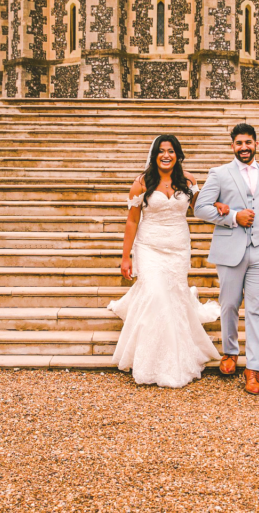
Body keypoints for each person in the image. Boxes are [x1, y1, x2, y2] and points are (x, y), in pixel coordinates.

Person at [108, 134, 222, 388]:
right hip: (149, 247)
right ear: (154, 155)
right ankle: (148, 360)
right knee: (156, 295)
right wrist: (125, 257)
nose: (166, 155)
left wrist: (219, 205)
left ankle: (176, 357)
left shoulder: (188, 181)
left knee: (172, 297)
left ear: (177, 155)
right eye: (161, 151)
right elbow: (132, 221)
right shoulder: (142, 182)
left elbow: (200, 207)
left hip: (178, 248)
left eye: (170, 151)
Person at [193, 123, 259, 395]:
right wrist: (234, 216)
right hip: (230, 248)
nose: (244, 147)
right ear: (232, 146)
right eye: (239, 143)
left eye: (248, 142)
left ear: (256, 144)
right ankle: (230, 352)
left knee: (256, 309)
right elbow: (200, 208)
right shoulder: (219, 173)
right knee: (230, 304)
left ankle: (253, 369)